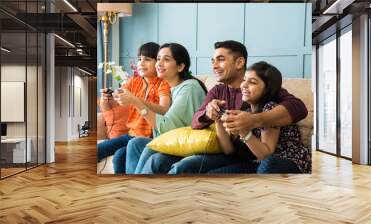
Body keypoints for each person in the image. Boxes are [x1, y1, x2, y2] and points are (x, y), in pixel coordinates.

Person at [141, 40, 308, 174]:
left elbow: (298, 108)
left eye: (220, 59)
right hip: (233, 151)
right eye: (213, 61)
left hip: (255, 156)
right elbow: (196, 122)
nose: (214, 65)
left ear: (239, 62)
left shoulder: (263, 90)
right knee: (154, 157)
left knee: (185, 166)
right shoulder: (218, 91)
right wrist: (210, 114)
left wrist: (252, 120)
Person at [210, 61, 311, 173]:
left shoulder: (271, 108)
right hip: (258, 162)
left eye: (252, 82)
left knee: (267, 165)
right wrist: (218, 120)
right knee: (214, 174)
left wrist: (244, 131)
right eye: (244, 80)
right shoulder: (246, 111)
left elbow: (265, 154)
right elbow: (228, 150)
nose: (244, 85)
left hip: (287, 161)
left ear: (267, 89)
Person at [125, 43, 207, 174]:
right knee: (135, 144)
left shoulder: (189, 88)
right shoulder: (172, 88)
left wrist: (136, 102)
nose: (159, 63)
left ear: (180, 66)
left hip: (187, 145)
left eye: (166, 59)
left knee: (152, 155)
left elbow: (166, 127)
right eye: (158, 59)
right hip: (172, 141)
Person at [97, 42, 171, 174]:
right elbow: (119, 95)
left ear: (158, 63)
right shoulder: (134, 81)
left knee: (120, 156)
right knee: (99, 149)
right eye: (139, 59)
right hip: (131, 135)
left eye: (147, 59)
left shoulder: (163, 84)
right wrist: (110, 96)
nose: (141, 63)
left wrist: (136, 100)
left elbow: (164, 109)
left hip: (148, 138)